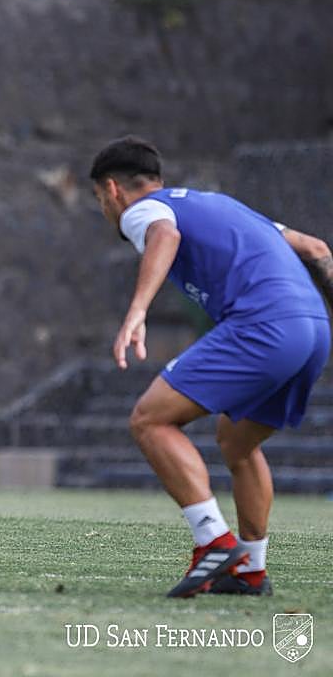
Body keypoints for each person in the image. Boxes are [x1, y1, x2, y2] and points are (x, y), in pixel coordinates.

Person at [90, 135, 332, 597]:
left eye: (101, 199)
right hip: (313, 329)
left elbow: (165, 235)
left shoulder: (146, 209)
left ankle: (214, 541)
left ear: (113, 190)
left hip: (265, 323)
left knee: (149, 420)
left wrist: (138, 309)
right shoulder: (222, 207)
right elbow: (317, 249)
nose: (106, 208)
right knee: (237, 442)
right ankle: (250, 571)